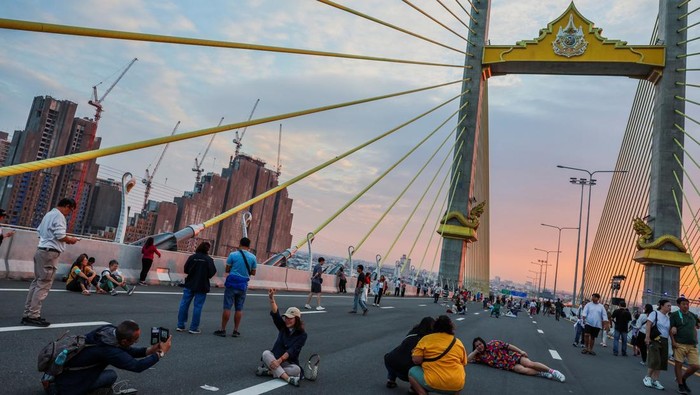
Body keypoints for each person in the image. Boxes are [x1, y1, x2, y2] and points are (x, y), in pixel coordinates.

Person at [53, 320, 171, 395]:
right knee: (111, 376)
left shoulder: (107, 330)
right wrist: (160, 353)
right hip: (67, 388)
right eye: (135, 339)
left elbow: (128, 351)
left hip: (60, 375)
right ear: (124, 341)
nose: (137, 341)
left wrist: (150, 350)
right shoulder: (109, 351)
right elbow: (137, 366)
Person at [21, 198, 79, 327]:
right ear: (67, 206)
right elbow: (60, 235)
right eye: (70, 210)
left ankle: (28, 313)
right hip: (49, 253)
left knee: (36, 282)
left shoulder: (49, 214)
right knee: (43, 284)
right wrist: (70, 240)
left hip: (41, 250)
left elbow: (39, 231)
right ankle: (33, 315)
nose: (69, 213)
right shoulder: (59, 216)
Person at [255, 289, 307, 387]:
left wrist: (279, 361)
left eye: (290, 318)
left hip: (286, 362)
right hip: (274, 358)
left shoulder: (302, 335)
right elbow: (275, 315)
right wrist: (272, 299)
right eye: (286, 318)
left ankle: (269, 372)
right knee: (266, 353)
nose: (287, 320)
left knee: (297, 369)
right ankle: (287, 378)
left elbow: (292, 350)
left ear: (297, 319)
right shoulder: (283, 327)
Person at [409, 315, 466, 395]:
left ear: (435, 327)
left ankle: (423, 393)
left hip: (432, 382)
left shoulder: (426, 339)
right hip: (456, 385)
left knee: (412, 371)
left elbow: (417, 360)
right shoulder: (458, 342)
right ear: (451, 327)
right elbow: (463, 364)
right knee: (459, 377)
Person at [469, 337, 565, 382]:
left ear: (484, 342)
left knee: (529, 364)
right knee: (521, 370)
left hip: (513, 357)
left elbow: (509, 346)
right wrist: (475, 351)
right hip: (508, 366)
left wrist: (521, 351)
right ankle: (541, 373)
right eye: (477, 346)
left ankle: (553, 371)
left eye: (480, 344)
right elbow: (468, 360)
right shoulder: (479, 356)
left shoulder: (493, 343)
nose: (479, 346)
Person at [215, 237, 257, 337]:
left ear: (240, 244)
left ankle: (223, 329)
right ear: (249, 246)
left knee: (227, 307)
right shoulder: (253, 257)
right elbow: (253, 272)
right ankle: (235, 330)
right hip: (242, 284)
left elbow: (227, 269)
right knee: (239, 308)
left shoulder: (233, 254)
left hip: (232, 283)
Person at [177, 241, 217, 334]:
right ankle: (193, 328)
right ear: (207, 250)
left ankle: (180, 325)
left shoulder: (192, 257)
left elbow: (186, 269)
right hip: (202, 285)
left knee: (184, 304)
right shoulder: (209, 260)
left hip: (190, 283)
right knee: (197, 306)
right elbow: (211, 273)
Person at [384, 317, 435, 389]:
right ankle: (414, 388)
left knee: (392, 357)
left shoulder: (413, 332)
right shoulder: (428, 339)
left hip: (390, 362)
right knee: (423, 364)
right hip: (406, 373)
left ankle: (391, 380)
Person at [670, 296, 700, 394]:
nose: (686, 306)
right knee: (679, 364)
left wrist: (695, 338)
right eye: (683, 304)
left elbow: (696, 327)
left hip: (692, 345)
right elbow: (670, 330)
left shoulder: (692, 315)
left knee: (696, 366)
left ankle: (682, 378)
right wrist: (673, 341)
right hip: (679, 344)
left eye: (687, 304)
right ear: (678, 305)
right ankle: (680, 385)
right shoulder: (674, 315)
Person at [643, 299, 672, 390]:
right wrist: (647, 337)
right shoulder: (654, 314)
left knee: (662, 361)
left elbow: (669, 330)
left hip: (664, 340)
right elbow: (648, 324)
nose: (670, 307)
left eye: (670, 306)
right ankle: (647, 377)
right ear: (662, 306)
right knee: (655, 359)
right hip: (655, 339)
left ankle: (655, 380)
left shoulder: (668, 318)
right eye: (668, 305)